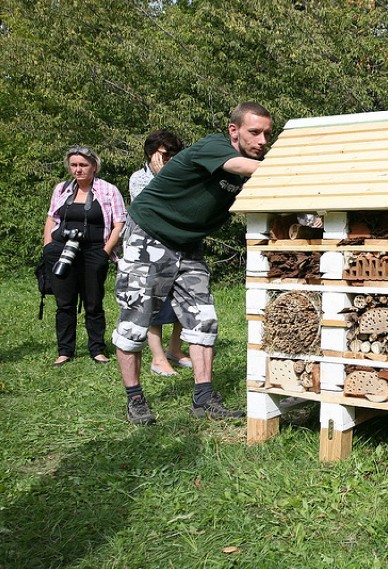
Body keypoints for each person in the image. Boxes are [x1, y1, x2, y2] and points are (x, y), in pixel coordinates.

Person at [113, 102, 273, 426]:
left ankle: (203, 399)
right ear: (234, 131)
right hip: (149, 233)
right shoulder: (214, 146)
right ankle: (135, 400)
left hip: (188, 244)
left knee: (204, 320)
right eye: (254, 132)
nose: (262, 140)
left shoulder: (259, 164)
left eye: (267, 134)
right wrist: (287, 166)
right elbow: (240, 167)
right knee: (135, 320)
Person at [42, 146, 127, 367]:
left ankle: (97, 349)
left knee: (93, 302)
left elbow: (119, 224)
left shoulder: (108, 190)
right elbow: (51, 218)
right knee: (64, 303)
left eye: (83, 165)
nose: (78, 170)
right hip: (61, 249)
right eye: (74, 165)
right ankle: (65, 351)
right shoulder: (62, 189)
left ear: (94, 166)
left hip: (93, 251)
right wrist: (48, 247)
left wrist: (105, 252)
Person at [129, 129, 191, 377]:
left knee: (181, 301)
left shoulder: (181, 175)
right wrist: (163, 176)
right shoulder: (138, 178)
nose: (170, 159)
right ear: (151, 154)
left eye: (174, 154)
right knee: (154, 303)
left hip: (179, 244)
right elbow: (152, 208)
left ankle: (175, 349)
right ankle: (157, 358)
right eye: (165, 154)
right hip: (150, 249)